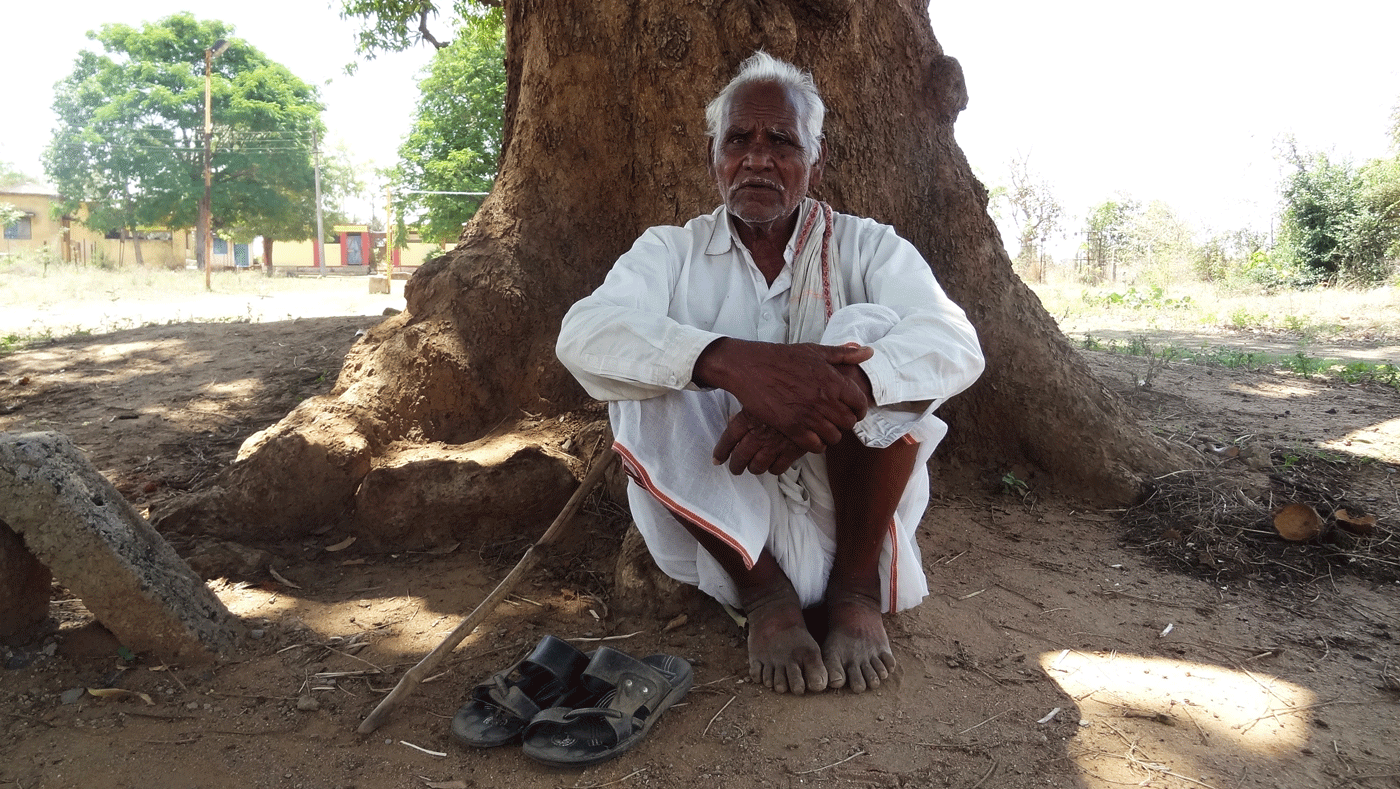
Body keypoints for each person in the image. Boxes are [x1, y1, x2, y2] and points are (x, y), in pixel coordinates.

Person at [556, 52, 984, 695]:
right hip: (724, 536)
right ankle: (767, 601)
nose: (758, 157)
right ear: (714, 158)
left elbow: (954, 341)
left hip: (855, 523)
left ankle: (855, 593)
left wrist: (830, 397)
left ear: (817, 159)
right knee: (648, 364)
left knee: (868, 336)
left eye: (782, 140)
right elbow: (584, 334)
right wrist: (728, 363)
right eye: (739, 140)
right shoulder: (668, 251)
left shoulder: (870, 246)